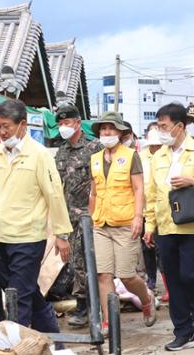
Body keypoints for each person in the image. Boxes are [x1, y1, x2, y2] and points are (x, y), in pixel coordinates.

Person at [0, 99, 71, 334]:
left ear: (22, 125)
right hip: (0, 235)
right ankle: (53, 335)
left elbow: (54, 195)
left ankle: (17, 343)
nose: (1, 132)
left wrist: (62, 234)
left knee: (19, 296)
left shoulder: (39, 155)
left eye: (6, 126)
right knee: (16, 288)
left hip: (28, 237)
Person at [89, 111, 156, 334]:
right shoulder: (95, 159)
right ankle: (109, 321)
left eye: (111, 128)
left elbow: (139, 189)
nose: (106, 132)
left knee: (127, 276)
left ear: (120, 132)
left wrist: (139, 217)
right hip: (101, 224)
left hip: (125, 222)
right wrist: (90, 219)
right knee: (103, 275)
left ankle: (146, 299)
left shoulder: (130, 156)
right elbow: (94, 193)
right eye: (103, 129)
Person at [144, 103, 194, 351]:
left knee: (190, 276)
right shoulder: (158, 156)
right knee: (173, 281)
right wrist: (149, 225)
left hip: (191, 227)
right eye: (158, 126)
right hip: (166, 227)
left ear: (180, 126)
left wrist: (191, 180)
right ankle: (183, 331)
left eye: (164, 126)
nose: (160, 131)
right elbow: (151, 194)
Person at [54, 104, 102, 327]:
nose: (63, 127)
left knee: (88, 262)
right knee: (74, 263)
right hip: (67, 217)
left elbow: (102, 183)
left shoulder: (95, 148)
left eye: (67, 123)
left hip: (89, 215)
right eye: (60, 124)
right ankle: (86, 304)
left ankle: (88, 306)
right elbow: (56, 185)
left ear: (78, 123)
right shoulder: (61, 151)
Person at [140, 128, 162, 295]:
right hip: (145, 210)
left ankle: (168, 282)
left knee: (162, 250)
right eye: (153, 145)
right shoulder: (141, 158)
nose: (156, 148)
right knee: (148, 248)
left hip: (164, 211)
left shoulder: (166, 156)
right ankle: (151, 281)